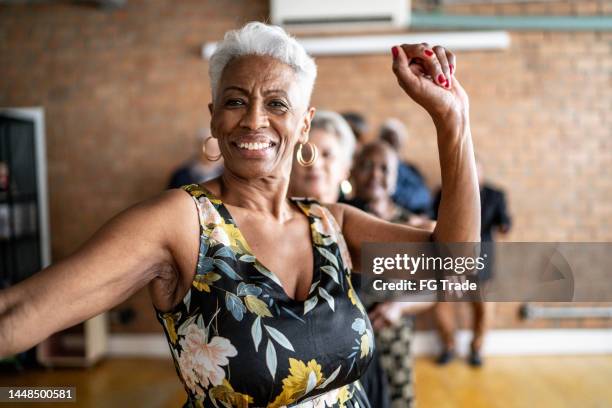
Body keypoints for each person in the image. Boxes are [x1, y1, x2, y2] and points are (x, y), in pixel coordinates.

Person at [0, 22, 480, 408]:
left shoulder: (332, 223)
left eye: (276, 104)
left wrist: (452, 121)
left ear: (304, 123)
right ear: (214, 117)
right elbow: (19, 313)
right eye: (235, 101)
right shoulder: (182, 222)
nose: (253, 120)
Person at [289, 114, 392, 408]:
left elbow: (444, 264)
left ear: (346, 167)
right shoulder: (271, 223)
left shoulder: (365, 220)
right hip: (288, 372)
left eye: (327, 154)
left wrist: (402, 304)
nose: (315, 162)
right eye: (306, 152)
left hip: (356, 368)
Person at [347, 140, 434, 408]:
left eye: (385, 169)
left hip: (393, 341)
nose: (375, 175)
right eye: (367, 166)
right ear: (353, 172)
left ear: (397, 178)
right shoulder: (340, 218)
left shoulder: (412, 227)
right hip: (349, 344)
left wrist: (399, 306)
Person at [432, 159, 511, 367]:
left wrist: (504, 226)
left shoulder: (495, 195)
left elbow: (505, 222)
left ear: (482, 173)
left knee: (484, 308)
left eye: (475, 172)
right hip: (451, 258)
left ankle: (476, 348)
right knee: (442, 305)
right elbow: (432, 221)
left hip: (482, 259)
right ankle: (448, 345)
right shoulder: (444, 192)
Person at [288, 110, 355, 204]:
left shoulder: (360, 217)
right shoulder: (269, 217)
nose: (315, 164)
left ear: (345, 168)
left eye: (326, 155)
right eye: (305, 154)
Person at [379, 118, 433, 215]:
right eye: (388, 141)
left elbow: (424, 196)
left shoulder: (411, 170)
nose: (392, 145)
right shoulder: (376, 168)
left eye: (395, 141)